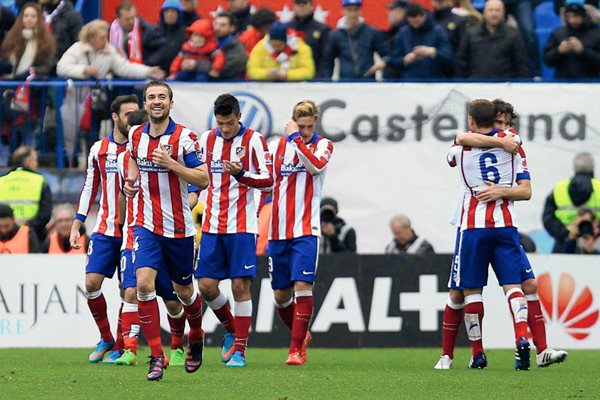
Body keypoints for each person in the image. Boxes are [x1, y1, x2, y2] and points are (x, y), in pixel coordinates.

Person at [435, 99, 568, 370]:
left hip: (486, 226)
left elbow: (526, 190)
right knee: (459, 292)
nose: (506, 129)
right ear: (490, 121)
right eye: (500, 123)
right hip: (470, 224)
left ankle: (538, 348)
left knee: (521, 285)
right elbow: (464, 136)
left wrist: (501, 191)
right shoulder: (507, 144)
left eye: (509, 124)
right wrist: (499, 141)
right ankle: (452, 354)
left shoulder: (496, 148)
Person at [123, 81, 209, 381]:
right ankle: (156, 357)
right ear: (145, 105)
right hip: (146, 226)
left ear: (171, 104)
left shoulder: (185, 137)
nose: (156, 101)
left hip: (180, 229)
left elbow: (203, 178)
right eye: (151, 97)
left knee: (185, 292)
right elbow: (132, 158)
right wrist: (130, 182)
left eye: (162, 97)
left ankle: (196, 335)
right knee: (143, 284)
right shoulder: (136, 134)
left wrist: (171, 163)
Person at [194, 93, 273, 368]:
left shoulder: (254, 141)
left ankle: (240, 349)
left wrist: (241, 174)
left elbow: (268, 181)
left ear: (239, 117)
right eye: (220, 123)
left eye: (229, 122)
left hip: (242, 225)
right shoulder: (206, 140)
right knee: (205, 285)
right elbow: (197, 175)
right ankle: (230, 327)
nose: (225, 128)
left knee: (240, 286)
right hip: (213, 225)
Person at [69, 94, 138, 365]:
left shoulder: (142, 147)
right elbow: (90, 186)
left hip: (134, 229)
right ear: (115, 117)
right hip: (106, 228)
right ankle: (106, 337)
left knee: (128, 290)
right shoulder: (100, 149)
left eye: (136, 114)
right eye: (127, 115)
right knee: (91, 283)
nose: (132, 120)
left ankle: (122, 345)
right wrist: (78, 222)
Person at [268, 100, 333, 365]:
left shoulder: (323, 145)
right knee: (281, 296)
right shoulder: (275, 146)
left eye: (309, 126)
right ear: (294, 120)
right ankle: (302, 334)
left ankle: (296, 349)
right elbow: (265, 181)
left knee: (303, 286)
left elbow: (315, 166)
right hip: (278, 230)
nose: (305, 131)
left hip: (306, 229)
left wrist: (295, 137)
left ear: (314, 123)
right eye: (300, 126)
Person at [56, 19, 165, 80]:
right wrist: (84, 69)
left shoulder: (109, 51)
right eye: (102, 38)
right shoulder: (77, 48)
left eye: (106, 37)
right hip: (74, 99)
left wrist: (148, 71)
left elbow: (125, 68)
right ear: (91, 38)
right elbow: (61, 68)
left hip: (96, 100)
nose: (105, 41)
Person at [455, 0, 529, 79]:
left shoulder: (513, 35)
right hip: (475, 86)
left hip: (504, 87)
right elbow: (461, 62)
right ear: (484, 12)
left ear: (503, 13)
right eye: (490, 10)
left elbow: (521, 65)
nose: (494, 14)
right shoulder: (470, 34)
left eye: (497, 10)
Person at [543, 152, 600, 253]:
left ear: (574, 167)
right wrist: (595, 231)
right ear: (593, 167)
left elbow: (547, 218)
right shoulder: (598, 187)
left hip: (564, 243)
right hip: (595, 240)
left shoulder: (560, 188)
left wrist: (565, 234)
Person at [322, 0, 389, 79]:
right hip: (345, 81)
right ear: (343, 11)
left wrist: (383, 62)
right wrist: (327, 81)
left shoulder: (372, 32)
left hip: (368, 80)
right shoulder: (336, 35)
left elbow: (387, 54)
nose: (352, 14)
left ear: (360, 11)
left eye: (356, 10)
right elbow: (328, 61)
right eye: (349, 10)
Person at [387, 2, 453, 79]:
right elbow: (392, 60)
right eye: (412, 22)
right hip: (409, 82)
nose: (415, 25)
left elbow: (449, 57)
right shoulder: (403, 33)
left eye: (417, 21)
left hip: (434, 81)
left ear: (423, 16)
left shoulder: (438, 31)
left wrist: (433, 52)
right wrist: (404, 60)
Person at [0, 146, 52, 242]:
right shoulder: (40, 181)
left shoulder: (1, 181)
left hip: (3, 237)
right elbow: (45, 215)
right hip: (32, 237)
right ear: (29, 161)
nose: (37, 164)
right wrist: (27, 229)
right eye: (35, 161)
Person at [543, 0, 600, 79]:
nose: (572, 20)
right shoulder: (557, 33)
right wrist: (559, 51)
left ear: (583, 16)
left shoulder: (597, 34)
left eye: (576, 16)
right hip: (561, 84)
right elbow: (547, 61)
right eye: (568, 16)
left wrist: (583, 51)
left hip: (589, 83)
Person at [0, 3, 55, 79]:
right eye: (26, 16)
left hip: (32, 84)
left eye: (33, 16)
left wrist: (31, 72)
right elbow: (4, 58)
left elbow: (46, 66)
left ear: (39, 19)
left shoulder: (46, 42)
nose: (29, 19)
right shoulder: (11, 39)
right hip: (9, 82)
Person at [247, 22, 315, 81]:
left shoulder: (301, 48)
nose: (276, 48)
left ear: (286, 42)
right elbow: (251, 70)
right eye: (273, 45)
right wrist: (266, 74)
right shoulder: (260, 48)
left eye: (279, 45)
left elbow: (308, 71)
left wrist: (287, 75)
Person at [108, 2, 167, 67]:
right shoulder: (110, 32)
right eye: (127, 19)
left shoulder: (147, 30)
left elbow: (163, 48)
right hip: (117, 71)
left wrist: (148, 63)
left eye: (133, 18)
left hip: (142, 71)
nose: (131, 22)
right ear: (118, 17)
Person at [286, 0, 330, 78]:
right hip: (289, 77)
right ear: (293, 7)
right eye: (298, 3)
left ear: (312, 6)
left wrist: (321, 79)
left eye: (305, 3)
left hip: (315, 78)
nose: (301, 6)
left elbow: (326, 59)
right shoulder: (285, 29)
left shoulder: (323, 29)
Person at [39, 0, 83, 71]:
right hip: (37, 67)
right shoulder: (35, 14)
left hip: (59, 70)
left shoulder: (72, 16)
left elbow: (78, 47)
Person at [432, 0, 467, 77]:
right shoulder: (428, 20)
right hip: (431, 70)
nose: (438, 3)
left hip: (451, 70)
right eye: (436, 1)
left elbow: (461, 50)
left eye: (441, 1)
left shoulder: (459, 21)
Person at [155, 0, 188, 75]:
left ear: (179, 14)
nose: (170, 14)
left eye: (173, 11)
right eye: (167, 11)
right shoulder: (155, 31)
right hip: (156, 75)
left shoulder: (185, 33)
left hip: (178, 77)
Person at [212, 12, 247, 80]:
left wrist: (199, 66)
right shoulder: (207, 42)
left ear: (232, 28)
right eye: (215, 24)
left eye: (223, 25)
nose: (217, 28)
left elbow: (232, 68)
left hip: (230, 84)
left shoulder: (236, 46)